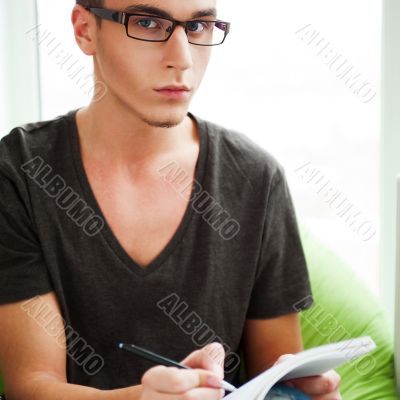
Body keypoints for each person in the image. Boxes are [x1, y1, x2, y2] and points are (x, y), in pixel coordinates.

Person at [0, 0, 341, 399]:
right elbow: (31, 387)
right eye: (147, 22)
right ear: (85, 30)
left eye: (198, 28)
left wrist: (303, 395)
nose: (181, 60)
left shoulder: (255, 177)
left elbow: (278, 379)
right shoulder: (21, 171)